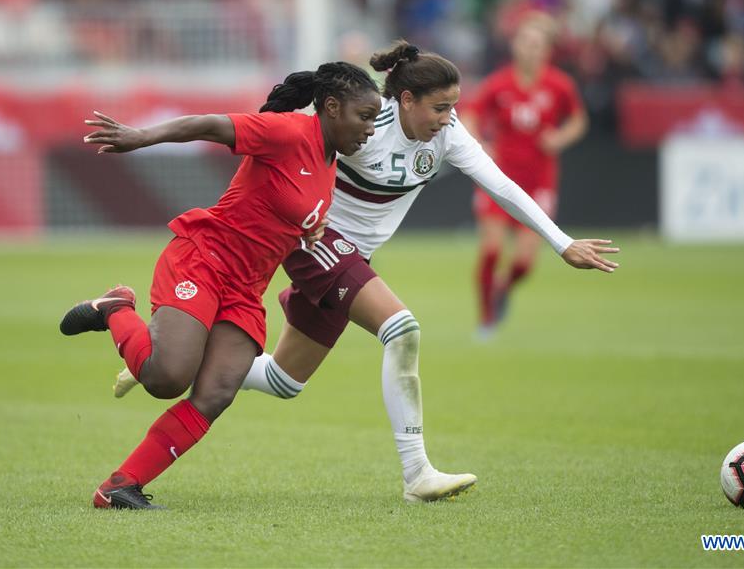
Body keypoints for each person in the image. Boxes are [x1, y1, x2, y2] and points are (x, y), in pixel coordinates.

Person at [115, 41, 618, 503]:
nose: (449, 118)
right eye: (439, 107)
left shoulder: (448, 137)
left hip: (354, 259)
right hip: (316, 243)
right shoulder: (364, 124)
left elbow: (502, 185)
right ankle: (417, 474)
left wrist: (562, 242)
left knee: (285, 381)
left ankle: (171, 352)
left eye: (454, 107)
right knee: (402, 328)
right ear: (404, 100)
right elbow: (293, 143)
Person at [60, 61, 381, 509]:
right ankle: (115, 308)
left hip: (246, 289)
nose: (371, 128)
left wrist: (307, 230)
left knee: (216, 393)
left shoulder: (329, 162)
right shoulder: (288, 131)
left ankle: (119, 486)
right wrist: (140, 137)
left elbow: (285, 208)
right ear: (331, 107)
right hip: (204, 260)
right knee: (167, 377)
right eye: (365, 116)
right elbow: (208, 124)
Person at [464, 12, 590, 338]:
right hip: (499, 177)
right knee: (491, 250)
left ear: (547, 50)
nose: (531, 49)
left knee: (524, 263)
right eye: (526, 42)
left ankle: (503, 287)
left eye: (538, 44)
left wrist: (559, 138)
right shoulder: (499, 82)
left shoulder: (560, 85)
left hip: (539, 180)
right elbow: (470, 114)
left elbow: (578, 121)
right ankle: (486, 319)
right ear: (515, 45)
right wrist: (480, 144)